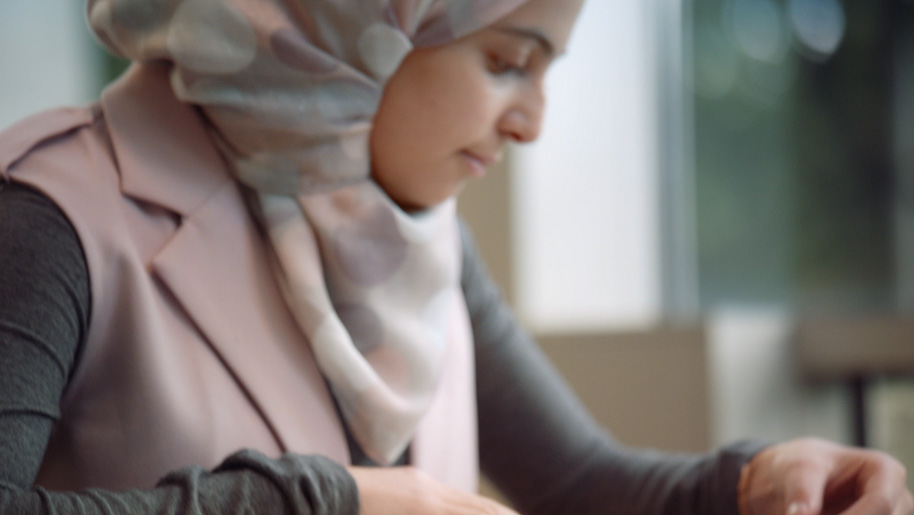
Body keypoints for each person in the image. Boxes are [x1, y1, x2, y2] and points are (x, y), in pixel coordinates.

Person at [0, 0, 911, 513]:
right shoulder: (53, 214)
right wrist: (333, 505)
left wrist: (754, 483)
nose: (533, 122)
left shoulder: (419, 241)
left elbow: (575, 480)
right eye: (509, 62)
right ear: (356, 22)